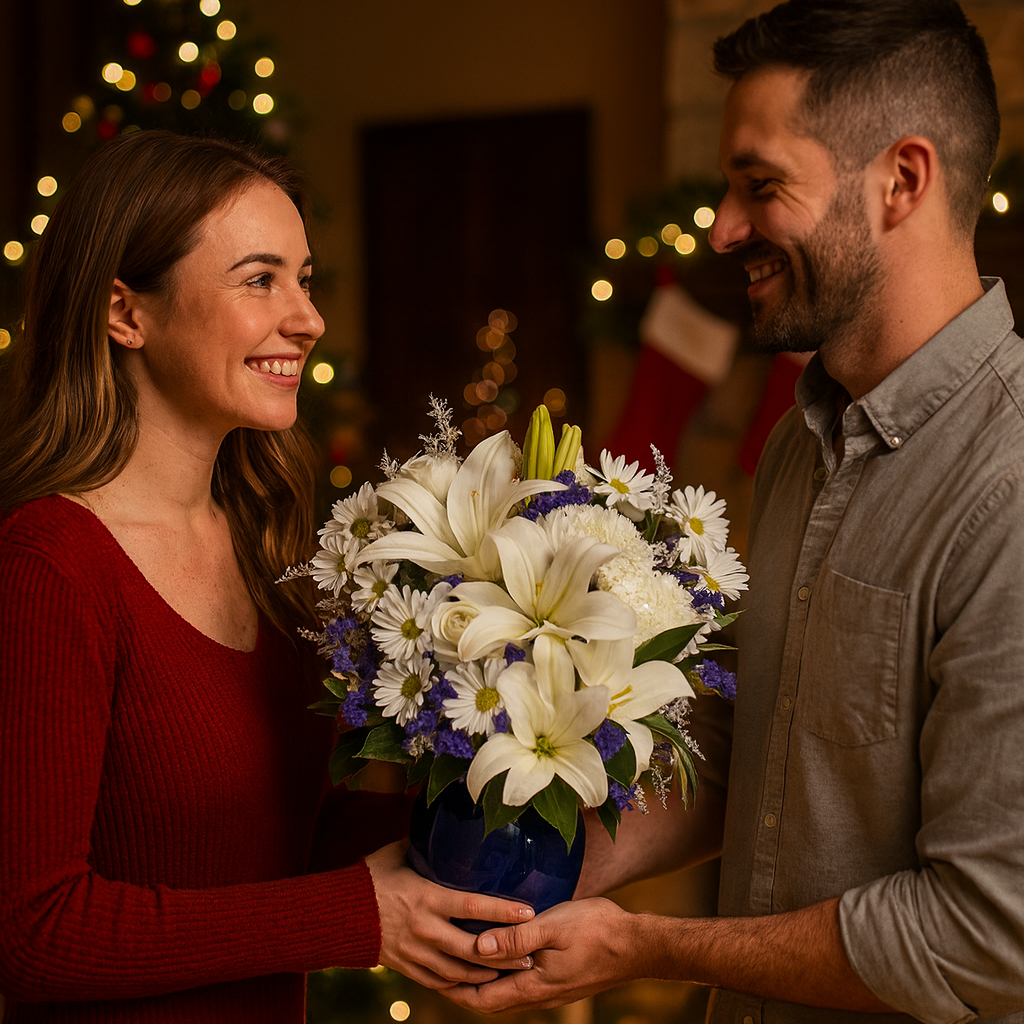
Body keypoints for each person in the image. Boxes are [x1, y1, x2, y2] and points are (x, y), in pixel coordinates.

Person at [450, 2, 1024, 1021]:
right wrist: (534, 878)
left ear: (901, 181)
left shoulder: (1008, 485)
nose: (720, 228)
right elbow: (754, 751)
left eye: (760, 186)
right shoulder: (801, 441)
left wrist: (646, 947)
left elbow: (987, 936)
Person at [0, 130, 533, 1024]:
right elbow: (31, 930)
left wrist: (510, 819)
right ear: (124, 312)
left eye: (305, 279)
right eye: (259, 280)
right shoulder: (49, 566)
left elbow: (280, 841)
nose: (308, 318)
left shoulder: (264, 550)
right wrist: (356, 917)